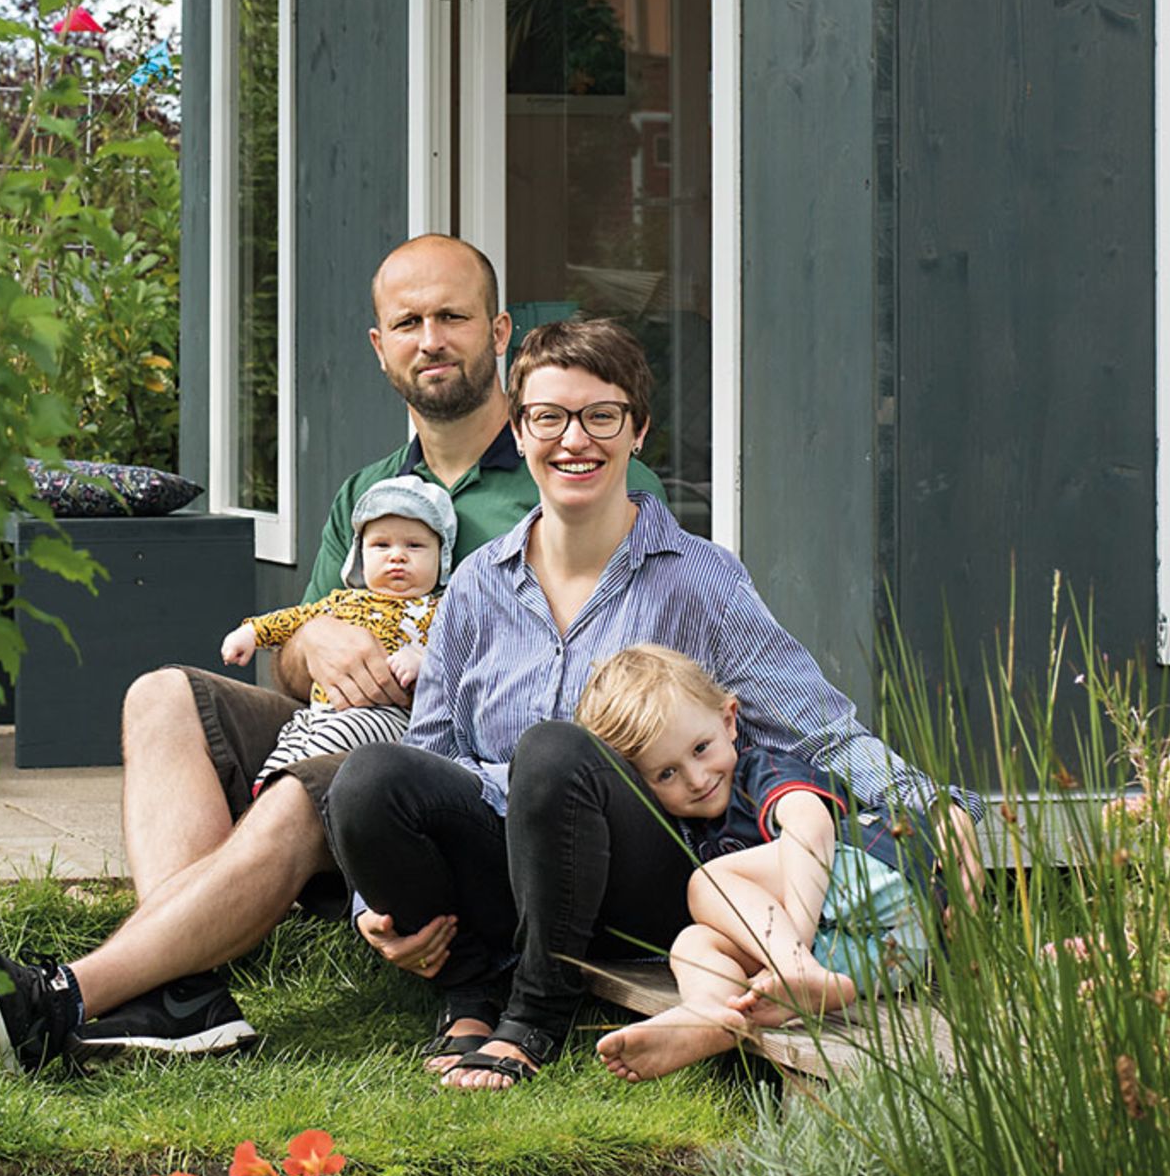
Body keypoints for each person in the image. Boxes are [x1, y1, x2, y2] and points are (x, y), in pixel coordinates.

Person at [0, 234, 660, 1072]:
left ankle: (71, 996)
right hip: (345, 722)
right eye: (409, 322)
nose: (431, 339)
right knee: (159, 695)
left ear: (499, 332)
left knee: (302, 787)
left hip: (454, 764)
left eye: (453, 317)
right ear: (380, 346)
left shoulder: (570, 465)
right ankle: (183, 989)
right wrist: (313, 641)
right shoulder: (368, 490)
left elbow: (616, 669)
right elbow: (287, 670)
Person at [326, 317, 980, 1091]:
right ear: (519, 429)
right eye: (549, 417)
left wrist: (936, 809)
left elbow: (822, 729)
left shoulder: (700, 579)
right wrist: (372, 901)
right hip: (497, 872)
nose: (575, 440)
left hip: (635, 877)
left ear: (638, 431)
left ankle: (535, 1013)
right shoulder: (474, 584)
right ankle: (470, 989)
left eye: (601, 416)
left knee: (555, 748)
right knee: (366, 778)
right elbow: (431, 751)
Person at [574, 644, 961, 1082]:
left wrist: (794, 952)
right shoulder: (691, 833)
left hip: (879, 867)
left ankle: (797, 972)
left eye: (701, 748)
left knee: (708, 883)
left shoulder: (760, 770)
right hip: (894, 956)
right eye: (667, 774)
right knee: (693, 943)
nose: (696, 779)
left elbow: (811, 825)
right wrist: (795, 959)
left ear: (728, 721)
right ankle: (712, 1012)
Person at [223, 475, 456, 789]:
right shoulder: (342, 601)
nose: (397, 556)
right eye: (381, 545)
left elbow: (457, 654)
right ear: (360, 557)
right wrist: (251, 633)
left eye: (414, 546)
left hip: (389, 716)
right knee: (291, 739)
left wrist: (421, 659)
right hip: (321, 710)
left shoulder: (439, 610)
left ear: (441, 557)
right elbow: (296, 618)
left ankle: (291, 795)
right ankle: (264, 796)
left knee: (334, 738)